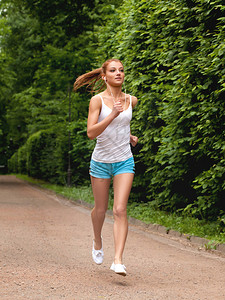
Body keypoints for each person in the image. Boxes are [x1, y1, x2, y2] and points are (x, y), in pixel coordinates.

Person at [73, 58, 138, 276]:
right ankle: (97, 239)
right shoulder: (97, 101)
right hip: (101, 162)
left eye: (121, 70)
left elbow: (121, 126)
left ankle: (118, 260)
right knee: (100, 210)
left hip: (124, 161)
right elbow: (91, 133)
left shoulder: (132, 100)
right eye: (113, 70)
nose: (118, 73)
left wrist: (128, 136)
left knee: (120, 209)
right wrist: (113, 114)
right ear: (104, 76)